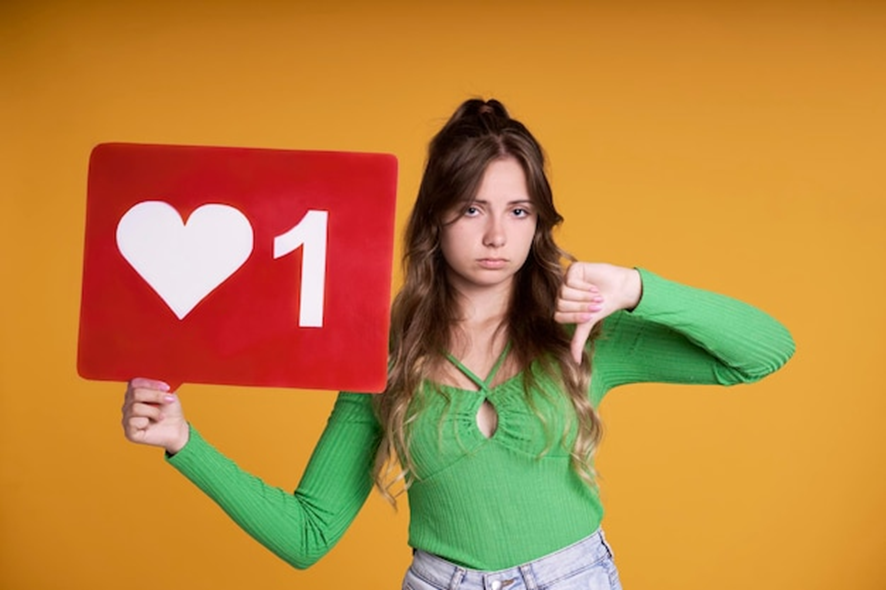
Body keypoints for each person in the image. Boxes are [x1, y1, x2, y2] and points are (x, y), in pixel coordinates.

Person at [122, 98, 795, 590]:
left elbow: (764, 351)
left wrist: (640, 287)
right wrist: (185, 442)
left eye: (518, 211)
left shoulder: (582, 330)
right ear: (436, 219)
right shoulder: (386, 352)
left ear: (538, 222)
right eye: (473, 208)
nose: (497, 235)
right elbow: (307, 536)